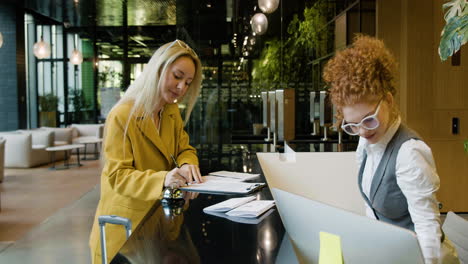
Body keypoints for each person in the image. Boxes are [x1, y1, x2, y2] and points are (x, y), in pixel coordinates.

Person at [323, 35, 459, 264]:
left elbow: (427, 230)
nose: (363, 131)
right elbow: (371, 208)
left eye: (369, 120)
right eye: (352, 125)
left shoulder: (409, 152)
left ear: (388, 100)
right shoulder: (365, 141)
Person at [89, 39, 204, 264]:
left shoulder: (170, 111)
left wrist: (187, 163)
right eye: (177, 76)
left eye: (188, 82)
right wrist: (164, 179)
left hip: (157, 226)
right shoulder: (122, 115)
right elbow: (117, 176)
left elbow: (184, 148)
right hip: (124, 234)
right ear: (157, 70)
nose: (182, 88)